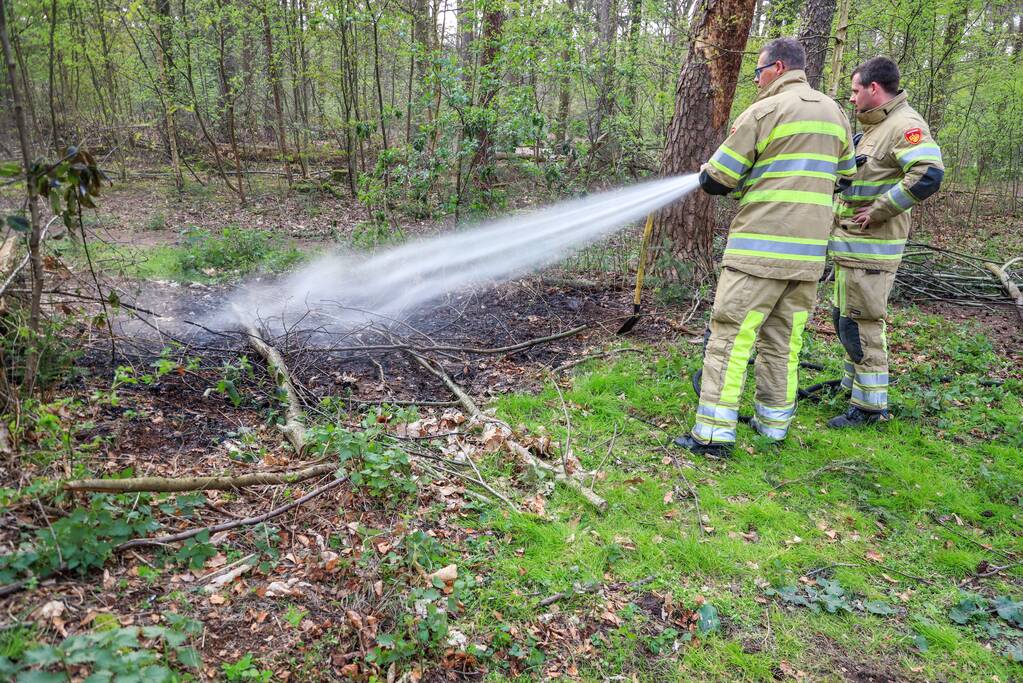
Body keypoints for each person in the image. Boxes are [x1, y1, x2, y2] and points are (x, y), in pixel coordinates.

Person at [674, 37, 856, 458]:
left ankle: (713, 434)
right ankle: (773, 426)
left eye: (758, 72)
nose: (756, 80)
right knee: (783, 342)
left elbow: (720, 178)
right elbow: (846, 176)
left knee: (731, 338)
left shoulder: (765, 110)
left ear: (776, 68)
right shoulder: (836, 113)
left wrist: (707, 172)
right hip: (807, 257)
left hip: (758, 253)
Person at [828, 57, 944, 428]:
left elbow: (928, 173)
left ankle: (869, 408)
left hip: (872, 249)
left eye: (855, 90)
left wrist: (878, 211)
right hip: (851, 248)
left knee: (862, 325)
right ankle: (852, 386)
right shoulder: (877, 127)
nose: (851, 98)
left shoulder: (905, 125)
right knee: (845, 319)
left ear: (873, 89)